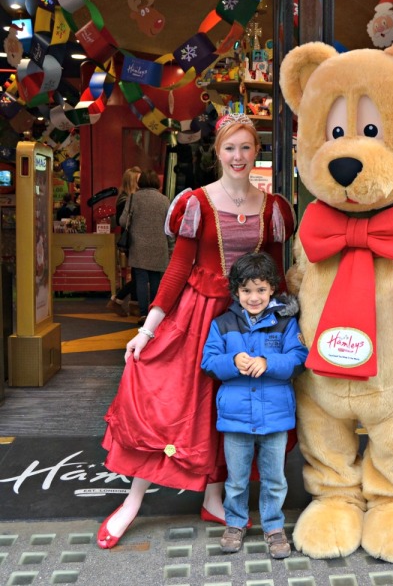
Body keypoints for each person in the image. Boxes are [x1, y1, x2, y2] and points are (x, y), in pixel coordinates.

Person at [97, 113, 296, 550]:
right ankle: (132, 502)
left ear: (255, 151)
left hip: (248, 324)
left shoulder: (274, 207)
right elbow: (176, 270)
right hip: (196, 319)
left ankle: (214, 496)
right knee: (173, 405)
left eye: (245, 147)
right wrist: (147, 331)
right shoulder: (198, 203)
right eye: (230, 148)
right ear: (218, 152)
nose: (238, 156)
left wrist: (284, 327)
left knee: (231, 412)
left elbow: (277, 275)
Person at [201, 252, 308, 559]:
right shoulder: (222, 324)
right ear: (236, 291)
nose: (254, 297)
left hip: (274, 419)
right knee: (236, 480)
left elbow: (299, 358)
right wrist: (233, 361)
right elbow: (208, 362)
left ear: (272, 289)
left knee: (274, 479)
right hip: (235, 419)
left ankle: (274, 527)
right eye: (246, 290)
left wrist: (268, 362)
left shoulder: (286, 323)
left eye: (261, 289)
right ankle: (235, 523)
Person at [119, 169, 171, 325]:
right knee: (156, 280)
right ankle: (154, 314)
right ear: (157, 182)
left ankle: (143, 314)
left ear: (140, 182)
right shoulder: (164, 200)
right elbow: (170, 226)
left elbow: (122, 221)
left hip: (138, 245)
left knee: (141, 279)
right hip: (159, 246)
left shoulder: (134, 198)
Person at [107, 167, 141, 317]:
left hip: (133, 240)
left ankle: (134, 304)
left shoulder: (125, 197)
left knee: (136, 273)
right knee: (140, 274)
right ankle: (118, 300)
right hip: (132, 240)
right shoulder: (126, 199)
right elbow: (123, 222)